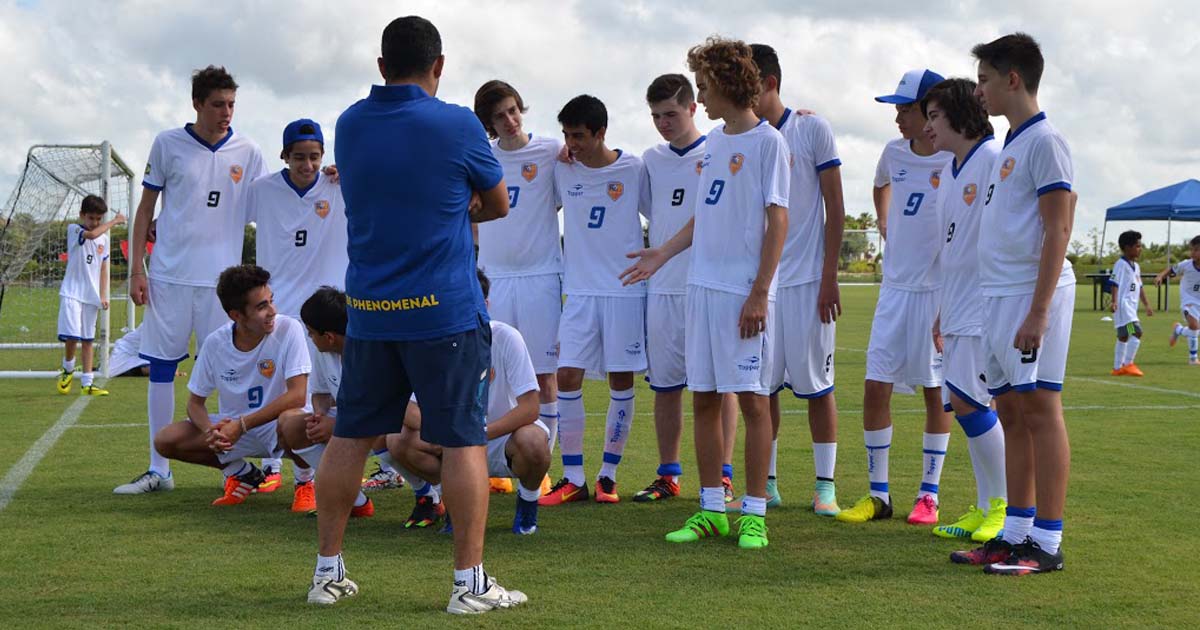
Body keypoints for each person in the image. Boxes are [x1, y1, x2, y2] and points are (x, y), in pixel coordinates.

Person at [309, 16, 525, 613]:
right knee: (461, 443)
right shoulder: (457, 123)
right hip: (445, 313)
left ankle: (326, 573)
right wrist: (456, 207)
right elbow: (499, 204)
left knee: (350, 438)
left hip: (372, 312)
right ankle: (468, 583)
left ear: (381, 67)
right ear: (440, 66)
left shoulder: (349, 124)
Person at [622, 36, 790, 549]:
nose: (701, 97)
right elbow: (706, 216)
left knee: (754, 403)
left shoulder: (769, 144)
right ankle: (712, 509)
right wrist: (663, 252)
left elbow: (778, 220)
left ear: (725, 85)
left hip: (743, 295)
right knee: (705, 400)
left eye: (703, 87)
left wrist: (760, 292)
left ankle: (754, 513)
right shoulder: (715, 143)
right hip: (701, 290)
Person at [952, 32, 1076, 576]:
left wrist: (1039, 310)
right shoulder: (1012, 147)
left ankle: (1047, 543)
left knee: (1040, 413)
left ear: (1013, 79)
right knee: (1009, 413)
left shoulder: (1046, 141)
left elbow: (1059, 229)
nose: (978, 92)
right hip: (997, 299)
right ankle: (1015, 533)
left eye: (982, 80)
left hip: (1030, 298)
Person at [116, 65, 268, 495]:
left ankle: (235, 470)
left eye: (232, 104)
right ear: (197, 103)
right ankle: (158, 469)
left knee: (230, 374)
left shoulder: (249, 151)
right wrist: (137, 270)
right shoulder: (168, 144)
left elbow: (270, 201)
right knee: (162, 367)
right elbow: (146, 208)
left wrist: (321, 178)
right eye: (218, 104)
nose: (226, 112)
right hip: (168, 277)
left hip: (223, 286)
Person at [836, 68, 956, 527]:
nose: (897, 118)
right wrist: (883, 219)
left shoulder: (954, 160)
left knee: (934, 392)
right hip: (895, 290)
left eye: (903, 109)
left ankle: (929, 495)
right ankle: (879, 495)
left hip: (936, 293)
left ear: (931, 111)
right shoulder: (892, 153)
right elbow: (880, 183)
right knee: (874, 385)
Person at [750, 43, 846, 514]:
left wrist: (830, 276)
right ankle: (766, 482)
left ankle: (824, 486)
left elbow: (836, 207)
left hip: (808, 282)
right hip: (760, 286)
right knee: (761, 389)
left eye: (748, 86)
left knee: (817, 387)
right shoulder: (744, 137)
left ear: (769, 83)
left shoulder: (811, 128)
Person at [539, 94, 648, 506]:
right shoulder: (563, 168)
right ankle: (573, 477)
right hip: (580, 292)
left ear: (601, 132)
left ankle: (608, 476)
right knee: (566, 375)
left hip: (623, 290)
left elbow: (663, 215)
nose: (572, 143)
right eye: (567, 135)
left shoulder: (634, 169)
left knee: (622, 380)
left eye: (580, 135)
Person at [391, 269, 550, 535]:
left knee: (534, 442)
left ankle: (528, 502)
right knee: (397, 439)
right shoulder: (430, 343)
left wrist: (480, 433)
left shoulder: (507, 337)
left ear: (485, 305)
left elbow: (530, 407)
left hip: (501, 438)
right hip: (452, 441)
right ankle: (452, 504)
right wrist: (443, 432)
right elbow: (406, 406)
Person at [920, 78, 1009, 542]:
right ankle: (983, 505)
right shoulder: (952, 169)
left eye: (934, 116)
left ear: (959, 115)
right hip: (956, 304)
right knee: (963, 403)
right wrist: (941, 308)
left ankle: (1003, 507)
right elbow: (951, 246)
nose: (928, 125)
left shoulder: (993, 160)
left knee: (975, 403)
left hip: (984, 302)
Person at [245, 118, 351, 493]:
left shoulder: (340, 184)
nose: (308, 166)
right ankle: (288, 473)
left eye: (315, 157)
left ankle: (315, 479)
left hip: (328, 310)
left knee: (328, 395)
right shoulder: (262, 189)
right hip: (282, 310)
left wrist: (350, 171)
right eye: (299, 158)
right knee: (283, 393)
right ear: (284, 156)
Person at [151, 265, 309, 506]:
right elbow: (195, 403)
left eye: (271, 301)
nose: (272, 311)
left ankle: (306, 483)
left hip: (278, 427)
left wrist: (242, 425)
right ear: (236, 315)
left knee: (295, 422)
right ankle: (242, 474)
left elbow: (298, 396)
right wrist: (210, 432)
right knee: (166, 439)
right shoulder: (215, 343)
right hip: (233, 431)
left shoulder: (289, 329)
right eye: (261, 306)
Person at [473, 80, 564, 454]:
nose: (510, 120)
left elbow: (561, 200)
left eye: (513, 110)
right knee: (492, 373)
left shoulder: (552, 151)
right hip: (493, 278)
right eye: (499, 115)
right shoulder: (482, 156)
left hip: (540, 277)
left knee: (544, 376)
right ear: (489, 122)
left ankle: (542, 463)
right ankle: (500, 460)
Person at [275, 287, 377, 517]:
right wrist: (318, 416)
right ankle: (356, 502)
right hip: (350, 420)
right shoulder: (323, 350)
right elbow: (320, 393)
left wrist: (337, 427)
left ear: (329, 336)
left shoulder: (371, 351)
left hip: (385, 424)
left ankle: (429, 495)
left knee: (392, 435)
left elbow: (381, 408)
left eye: (311, 333)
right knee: (290, 425)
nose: (309, 338)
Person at [56, 194, 124, 396]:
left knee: (88, 340)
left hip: (91, 296)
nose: (94, 223)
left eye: (98, 219)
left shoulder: (104, 239)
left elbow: (103, 269)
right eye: (91, 218)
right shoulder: (74, 230)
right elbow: (92, 236)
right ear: (82, 215)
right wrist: (116, 221)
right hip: (72, 293)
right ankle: (68, 369)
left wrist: (103, 295)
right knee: (73, 336)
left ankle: (87, 383)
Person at [1110, 230, 1153, 376]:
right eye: (1137, 246)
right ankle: (1128, 364)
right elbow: (1114, 283)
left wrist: (1146, 304)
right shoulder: (1120, 264)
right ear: (1127, 247)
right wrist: (1114, 301)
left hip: (1131, 308)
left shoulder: (1136, 266)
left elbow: (1139, 287)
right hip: (1123, 307)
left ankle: (1117, 368)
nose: (1140, 249)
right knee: (1137, 331)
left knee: (1124, 335)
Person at [1157, 235, 1200, 364]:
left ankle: (1179, 330)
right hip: (1188, 301)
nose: (1192, 252)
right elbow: (1171, 270)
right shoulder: (1186, 265)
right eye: (1191, 249)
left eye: (1196, 250)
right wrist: (1161, 276)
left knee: (1195, 330)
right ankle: (1193, 359)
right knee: (1194, 326)